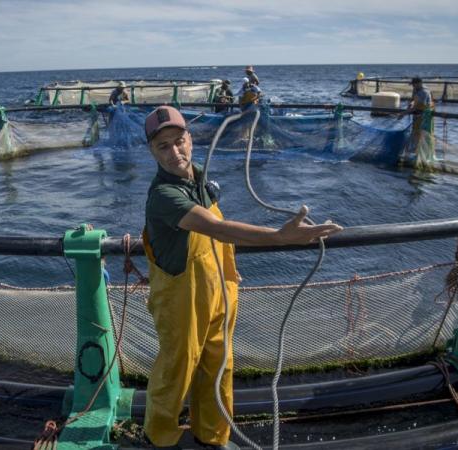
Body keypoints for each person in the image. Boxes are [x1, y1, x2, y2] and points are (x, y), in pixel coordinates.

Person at [142, 106, 342, 449]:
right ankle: (158, 439)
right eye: (164, 146)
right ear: (152, 151)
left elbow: (214, 236)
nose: (175, 152)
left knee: (219, 368)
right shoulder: (164, 195)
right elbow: (216, 229)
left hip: (218, 292)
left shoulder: (200, 179)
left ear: (190, 139)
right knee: (176, 371)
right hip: (181, 300)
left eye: (179, 141)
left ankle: (211, 436)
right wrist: (280, 237)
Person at [404, 77, 436, 169]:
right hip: (417, 117)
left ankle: (424, 155)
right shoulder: (416, 90)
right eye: (412, 85)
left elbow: (417, 106)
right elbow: (413, 102)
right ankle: (416, 153)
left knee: (424, 135)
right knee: (416, 134)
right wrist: (411, 103)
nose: (413, 86)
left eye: (414, 84)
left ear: (419, 83)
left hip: (425, 117)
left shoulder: (424, 92)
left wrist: (403, 113)